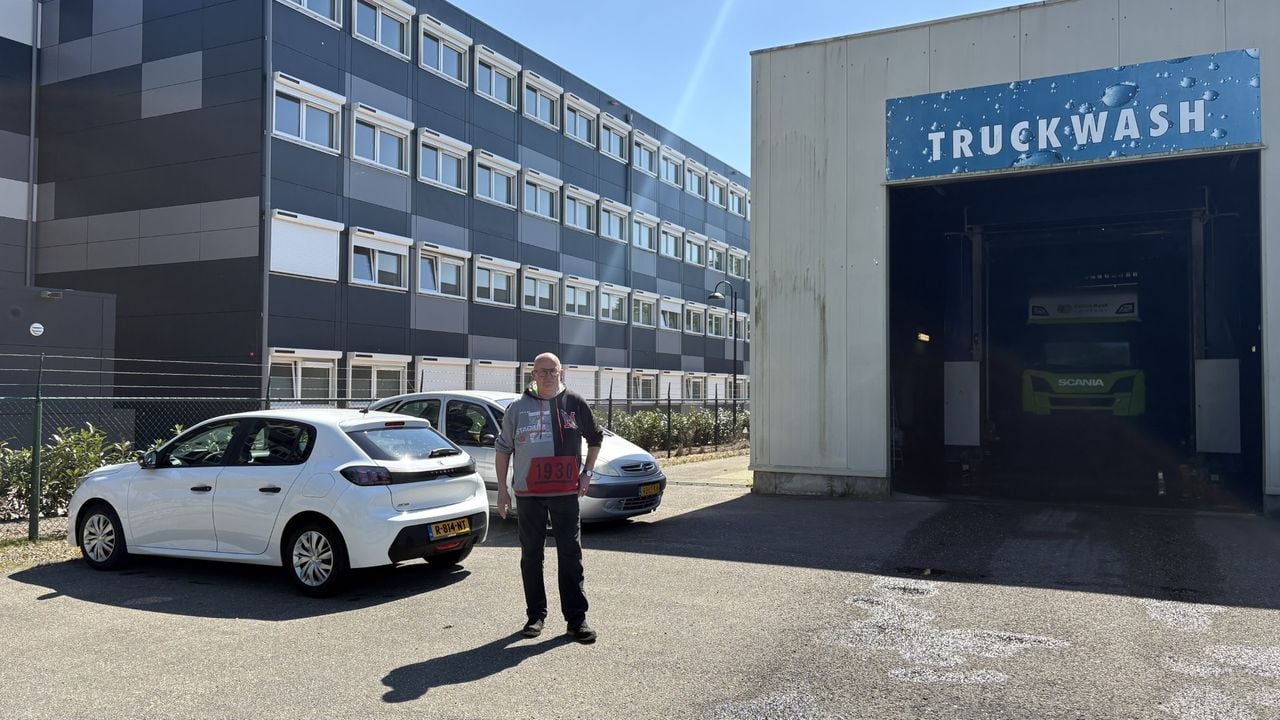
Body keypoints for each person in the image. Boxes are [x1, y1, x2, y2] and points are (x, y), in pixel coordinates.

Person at [495, 352, 603, 644]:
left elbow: (596, 439)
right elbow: (503, 448)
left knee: (570, 555)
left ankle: (576, 620)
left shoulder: (575, 404)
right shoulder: (517, 409)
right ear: (533, 375)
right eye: (541, 372)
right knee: (531, 556)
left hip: (565, 493)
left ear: (561, 372)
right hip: (529, 495)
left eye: (552, 371)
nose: (547, 376)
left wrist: (587, 474)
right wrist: (503, 491)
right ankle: (535, 616)